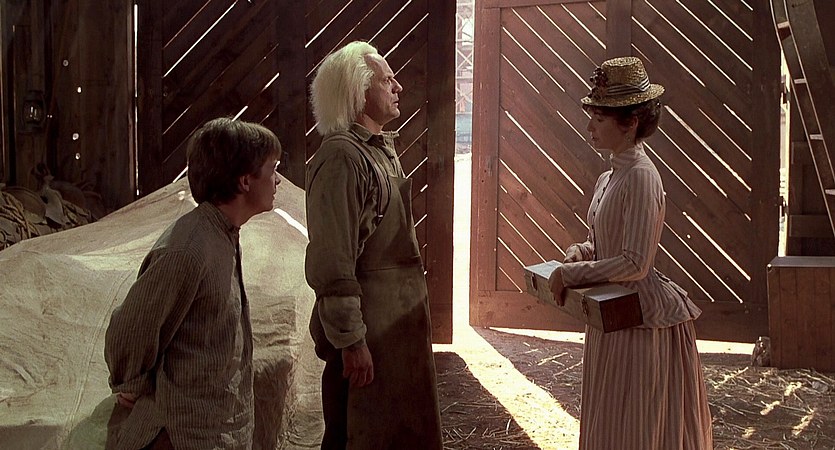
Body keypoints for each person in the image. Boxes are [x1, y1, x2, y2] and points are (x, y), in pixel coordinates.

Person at [548, 57, 713, 449]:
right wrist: (581, 252)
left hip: (639, 320)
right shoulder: (610, 176)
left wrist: (571, 275)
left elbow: (636, 263)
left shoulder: (641, 176)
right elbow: (607, 243)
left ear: (631, 122)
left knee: (636, 422)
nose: (590, 127)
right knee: (611, 420)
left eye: (599, 119)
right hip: (610, 312)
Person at [104, 117, 282, 450]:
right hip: (183, 436)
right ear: (245, 180)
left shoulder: (222, 235)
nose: (278, 180)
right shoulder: (189, 247)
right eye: (273, 170)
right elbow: (131, 327)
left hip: (216, 431)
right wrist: (130, 382)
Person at [304, 40, 443, 449]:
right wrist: (351, 340)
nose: (398, 87)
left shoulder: (379, 151)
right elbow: (334, 263)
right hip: (370, 339)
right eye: (386, 80)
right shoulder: (342, 158)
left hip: (394, 337)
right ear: (358, 92)